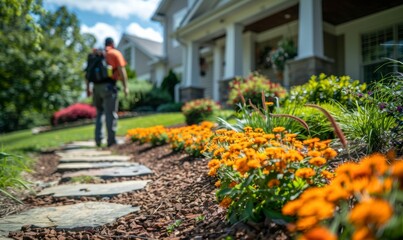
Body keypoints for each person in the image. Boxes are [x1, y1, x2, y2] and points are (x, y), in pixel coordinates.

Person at [86, 37, 129, 147]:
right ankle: (111, 140)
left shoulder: (96, 55)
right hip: (109, 87)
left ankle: (98, 139)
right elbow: (121, 70)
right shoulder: (114, 53)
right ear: (112, 44)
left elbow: (87, 73)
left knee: (100, 113)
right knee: (110, 113)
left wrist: (88, 88)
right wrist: (125, 87)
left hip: (96, 87)